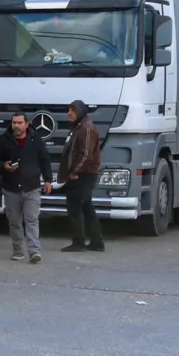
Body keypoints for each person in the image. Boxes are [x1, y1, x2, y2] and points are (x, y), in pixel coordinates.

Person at [0, 111, 53, 263]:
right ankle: (18, 250)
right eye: (14, 123)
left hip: (32, 187)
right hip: (11, 188)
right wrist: (3, 165)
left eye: (19, 123)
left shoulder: (35, 140)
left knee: (31, 219)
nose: (16, 126)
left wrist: (48, 180)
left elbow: (45, 160)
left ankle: (34, 252)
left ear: (27, 124)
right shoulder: (3, 140)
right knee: (15, 221)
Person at [61, 99, 105, 253]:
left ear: (80, 111)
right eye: (68, 110)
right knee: (86, 206)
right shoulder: (79, 127)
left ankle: (79, 242)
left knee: (75, 207)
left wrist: (74, 171)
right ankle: (96, 241)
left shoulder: (85, 128)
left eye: (72, 110)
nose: (69, 113)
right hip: (84, 174)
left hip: (84, 175)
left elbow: (86, 155)